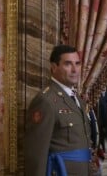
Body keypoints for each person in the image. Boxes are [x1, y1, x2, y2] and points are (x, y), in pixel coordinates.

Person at [24, 45, 97, 176]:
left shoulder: (78, 100)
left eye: (77, 64)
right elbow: (36, 153)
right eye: (68, 64)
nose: (74, 70)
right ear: (54, 67)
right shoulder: (46, 100)